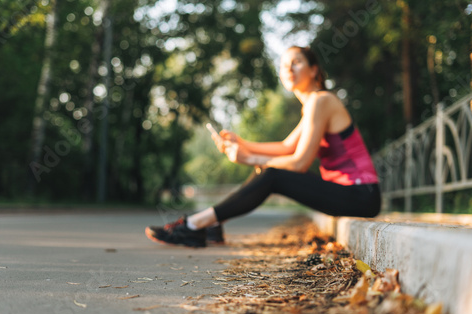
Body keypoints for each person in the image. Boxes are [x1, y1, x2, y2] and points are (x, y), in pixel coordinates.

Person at [145, 45, 381, 248]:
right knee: (270, 171)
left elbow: (299, 162)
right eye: (283, 65)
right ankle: (212, 224)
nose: (288, 69)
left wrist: (248, 158)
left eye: (296, 62)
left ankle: (195, 224)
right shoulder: (314, 104)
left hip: (361, 194)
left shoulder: (322, 101)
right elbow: (286, 146)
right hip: (352, 194)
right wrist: (243, 144)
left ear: (314, 69)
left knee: (273, 175)